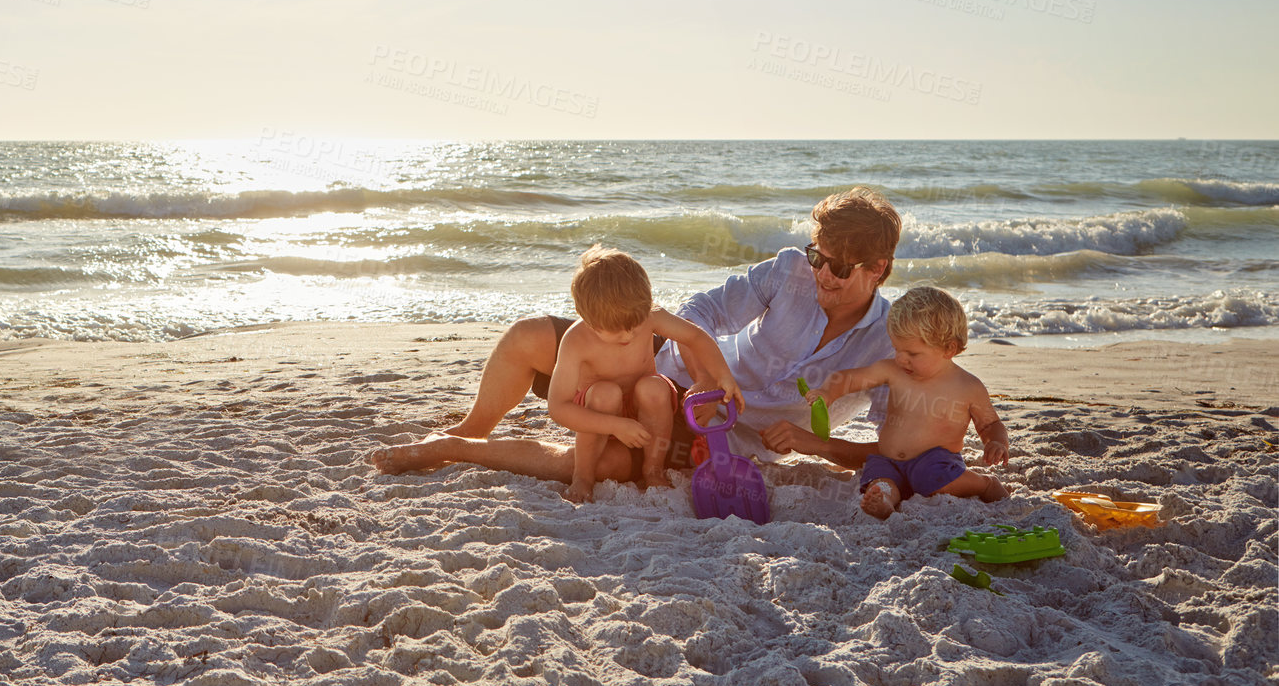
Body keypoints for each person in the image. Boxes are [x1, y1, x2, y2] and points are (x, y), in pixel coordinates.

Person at [371, 187, 903, 483]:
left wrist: (816, 445)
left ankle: (456, 450)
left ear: (878, 267)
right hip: (666, 369)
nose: (823, 275)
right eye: (819, 257)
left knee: (593, 464)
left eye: (840, 268)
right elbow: (704, 312)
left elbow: (897, 449)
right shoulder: (790, 271)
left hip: (709, 437)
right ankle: (472, 427)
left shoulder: (886, 344)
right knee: (526, 337)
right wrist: (702, 373)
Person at [548, 246, 743, 502]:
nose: (630, 335)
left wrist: (723, 376)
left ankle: (652, 469)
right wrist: (615, 425)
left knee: (654, 387)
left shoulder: (648, 316)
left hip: (645, 408)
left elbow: (695, 336)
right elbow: (558, 407)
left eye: (635, 326)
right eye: (618, 331)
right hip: (600, 411)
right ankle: (582, 476)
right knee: (606, 393)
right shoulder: (576, 340)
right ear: (590, 321)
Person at [808, 286, 1009, 519]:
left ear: (948, 349)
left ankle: (984, 484)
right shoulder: (893, 371)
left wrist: (996, 442)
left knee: (935, 480)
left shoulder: (968, 386)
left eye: (912, 353)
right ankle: (883, 500)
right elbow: (851, 378)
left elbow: (989, 424)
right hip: (890, 459)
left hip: (936, 462)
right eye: (896, 349)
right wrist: (827, 392)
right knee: (880, 480)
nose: (901, 358)